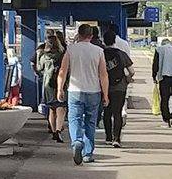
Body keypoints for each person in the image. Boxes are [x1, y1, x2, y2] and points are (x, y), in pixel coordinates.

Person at [57, 23, 108, 165]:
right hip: (94, 91)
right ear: (91, 36)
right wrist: (106, 94)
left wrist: (60, 89)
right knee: (90, 122)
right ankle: (88, 153)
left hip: (74, 91)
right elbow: (103, 75)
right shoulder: (98, 51)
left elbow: (62, 71)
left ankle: (77, 142)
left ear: (78, 35)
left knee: (74, 120)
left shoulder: (71, 50)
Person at [99, 22, 134, 147]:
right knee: (117, 113)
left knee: (106, 113)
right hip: (119, 86)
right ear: (114, 40)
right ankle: (116, 139)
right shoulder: (121, 53)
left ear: (104, 40)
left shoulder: (100, 53)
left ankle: (108, 137)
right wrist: (128, 79)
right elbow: (132, 71)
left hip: (104, 87)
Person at [36, 29, 67, 141]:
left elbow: (39, 69)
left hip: (47, 84)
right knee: (61, 107)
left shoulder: (44, 56)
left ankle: (53, 131)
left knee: (51, 109)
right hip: (60, 83)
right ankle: (59, 130)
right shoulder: (62, 54)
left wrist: (39, 55)